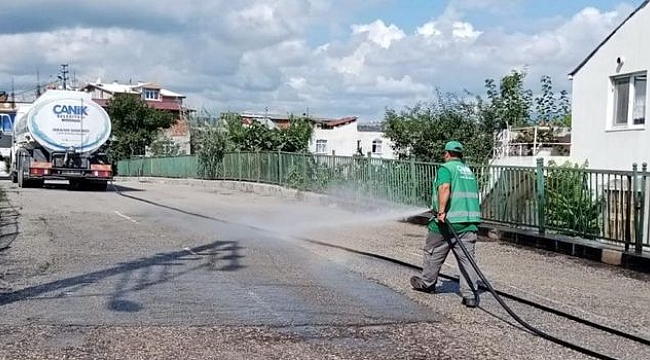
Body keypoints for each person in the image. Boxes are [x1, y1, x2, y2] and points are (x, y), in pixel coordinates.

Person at [410, 140, 482, 308]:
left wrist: (441, 211)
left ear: (447, 154)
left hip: (447, 221)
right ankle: (470, 295)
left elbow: (444, 188)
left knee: (432, 251)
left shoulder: (446, 168)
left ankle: (427, 283)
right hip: (469, 222)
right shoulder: (468, 171)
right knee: (467, 260)